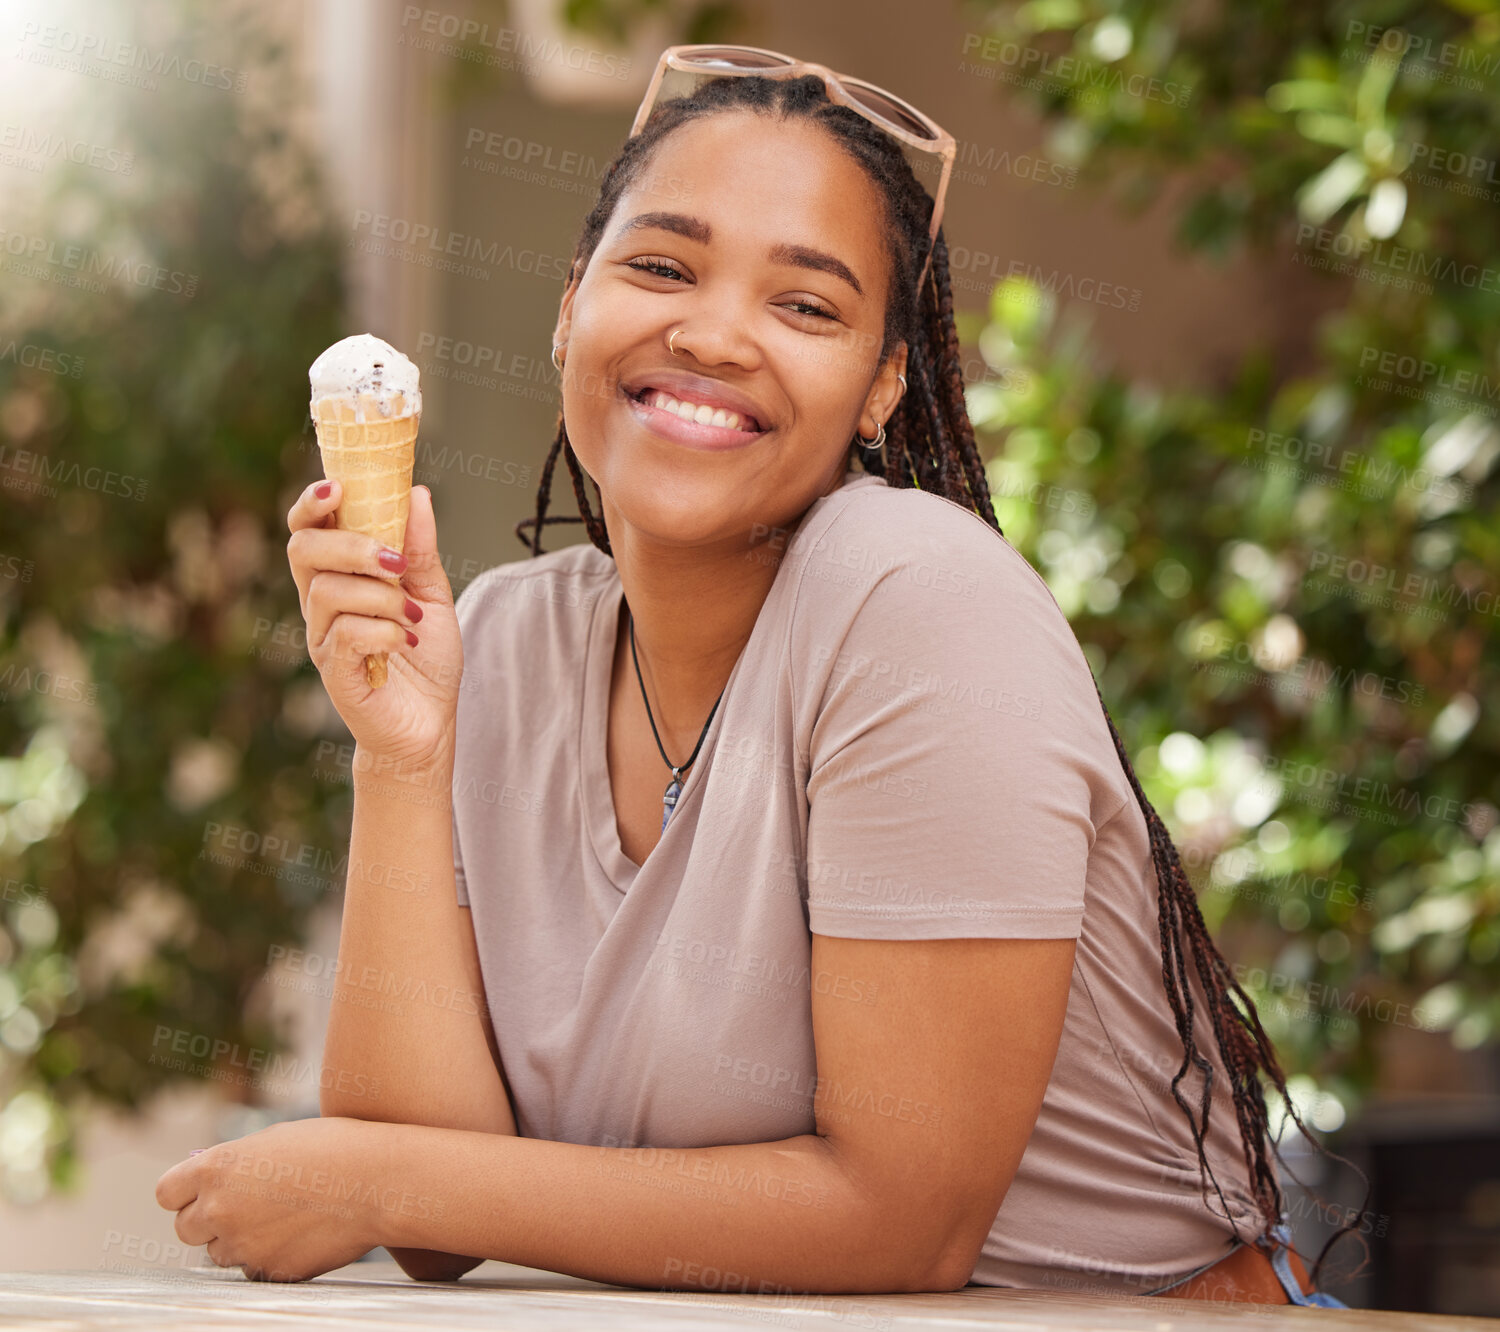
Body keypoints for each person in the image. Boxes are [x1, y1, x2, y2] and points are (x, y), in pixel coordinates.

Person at [160, 47, 1360, 1304]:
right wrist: (400, 758)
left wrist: (375, 1183)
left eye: (806, 307)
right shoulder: (505, 642)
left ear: (883, 383)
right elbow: (435, 1212)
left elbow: (904, 1224)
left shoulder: (917, 598)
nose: (715, 333)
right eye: (662, 267)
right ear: (572, 304)